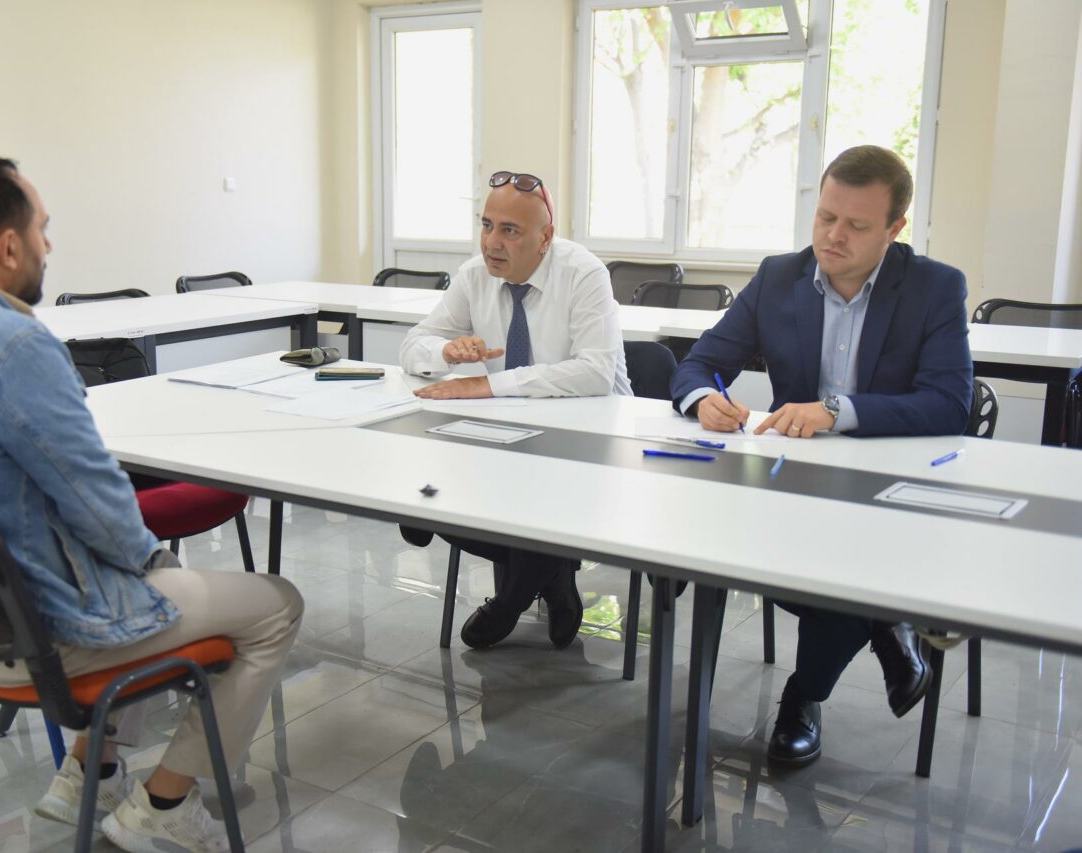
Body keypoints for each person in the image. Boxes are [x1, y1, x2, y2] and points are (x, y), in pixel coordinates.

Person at [0, 153, 303, 853]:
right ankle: (166, 805)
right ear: (8, 245)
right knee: (274, 604)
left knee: (145, 575)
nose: (48, 245)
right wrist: (151, 565)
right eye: (42, 229)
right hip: (36, 637)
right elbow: (98, 502)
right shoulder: (15, 345)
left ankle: (89, 773)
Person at [670, 144, 972, 766]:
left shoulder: (935, 287)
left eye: (857, 225)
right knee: (826, 556)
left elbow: (949, 405)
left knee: (849, 553)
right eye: (826, 216)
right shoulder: (779, 276)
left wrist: (838, 411)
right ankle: (887, 620)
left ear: (894, 228)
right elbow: (699, 363)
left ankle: (803, 694)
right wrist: (704, 399)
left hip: (892, 487)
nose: (834, 236)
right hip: (796, 485)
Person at [398, 170, 631, 651]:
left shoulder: (584, 273)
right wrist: (445, 353)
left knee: (546, 495)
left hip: (593, 439)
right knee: (428, 496)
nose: (491, 243)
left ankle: (510, 601)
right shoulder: (473, 276)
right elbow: (413, 346)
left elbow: (594, 373)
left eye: (509, 230)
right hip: (508, 432)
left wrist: (488, 384)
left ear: (546, 237)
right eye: (486, 225)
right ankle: (554, 574)